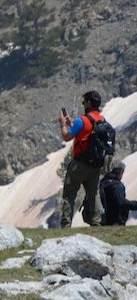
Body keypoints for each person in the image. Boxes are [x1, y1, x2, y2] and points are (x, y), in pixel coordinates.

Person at [59, 90, 106, 227]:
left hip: (79, 164)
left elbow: (67, 136)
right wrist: (71, 123)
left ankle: (66, 224)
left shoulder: (82, 120)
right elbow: (87, 132)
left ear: (89, 103)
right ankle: (97, 223)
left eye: (84, 101)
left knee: (69, 194)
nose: (83, 103)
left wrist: (63, 124)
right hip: (95, 165)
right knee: (94, 194)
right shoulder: (101, 120)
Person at [100, 162, 137, 226]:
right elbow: (121, 202)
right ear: (120, 172)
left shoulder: (103, 182)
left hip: (103, 219)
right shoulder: (117, 185)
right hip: (114, 220)